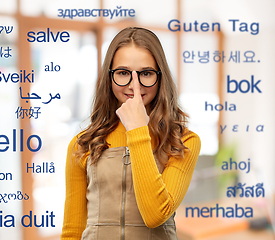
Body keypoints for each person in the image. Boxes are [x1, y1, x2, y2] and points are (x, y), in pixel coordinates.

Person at [61, 27, 201, 240]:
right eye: (123, 73)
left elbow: (155, 215)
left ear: (160, 77)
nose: (134, 86)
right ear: (109, 77)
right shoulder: (82, 145)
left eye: (146, 73)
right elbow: (72, 232)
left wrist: (137, 130)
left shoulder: (184, 142)